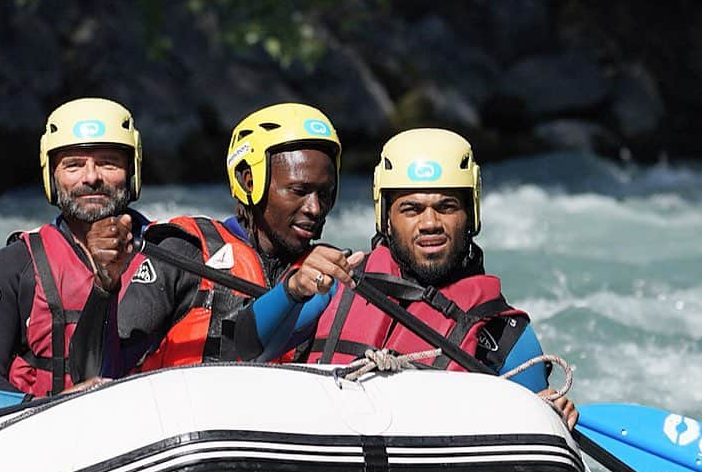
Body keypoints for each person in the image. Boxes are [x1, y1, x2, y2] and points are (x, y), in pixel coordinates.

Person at [245, 127, 578, 428]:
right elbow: (243, 351)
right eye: (412, 209)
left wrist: (554, 416)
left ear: (470, 215)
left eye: (446, 207)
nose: (430, 222)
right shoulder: (334, 284)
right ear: (386, 219)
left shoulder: (503, 334)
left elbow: (537, 443)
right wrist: (291, 291)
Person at [76, 102, 355, 372]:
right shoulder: (182, 251)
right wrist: (105, 287)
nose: (315, 208)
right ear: (250, 182)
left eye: (325, 193)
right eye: (298, 190)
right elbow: (95, 374)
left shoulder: (329, 271)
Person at [0, 97, 149, 399]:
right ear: (52, 175)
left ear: (132, 169)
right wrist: (54, 408)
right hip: (45, 431)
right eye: (73, 165)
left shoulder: (173, 252)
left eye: (108, 162)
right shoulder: (12, 266)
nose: (91, 177)